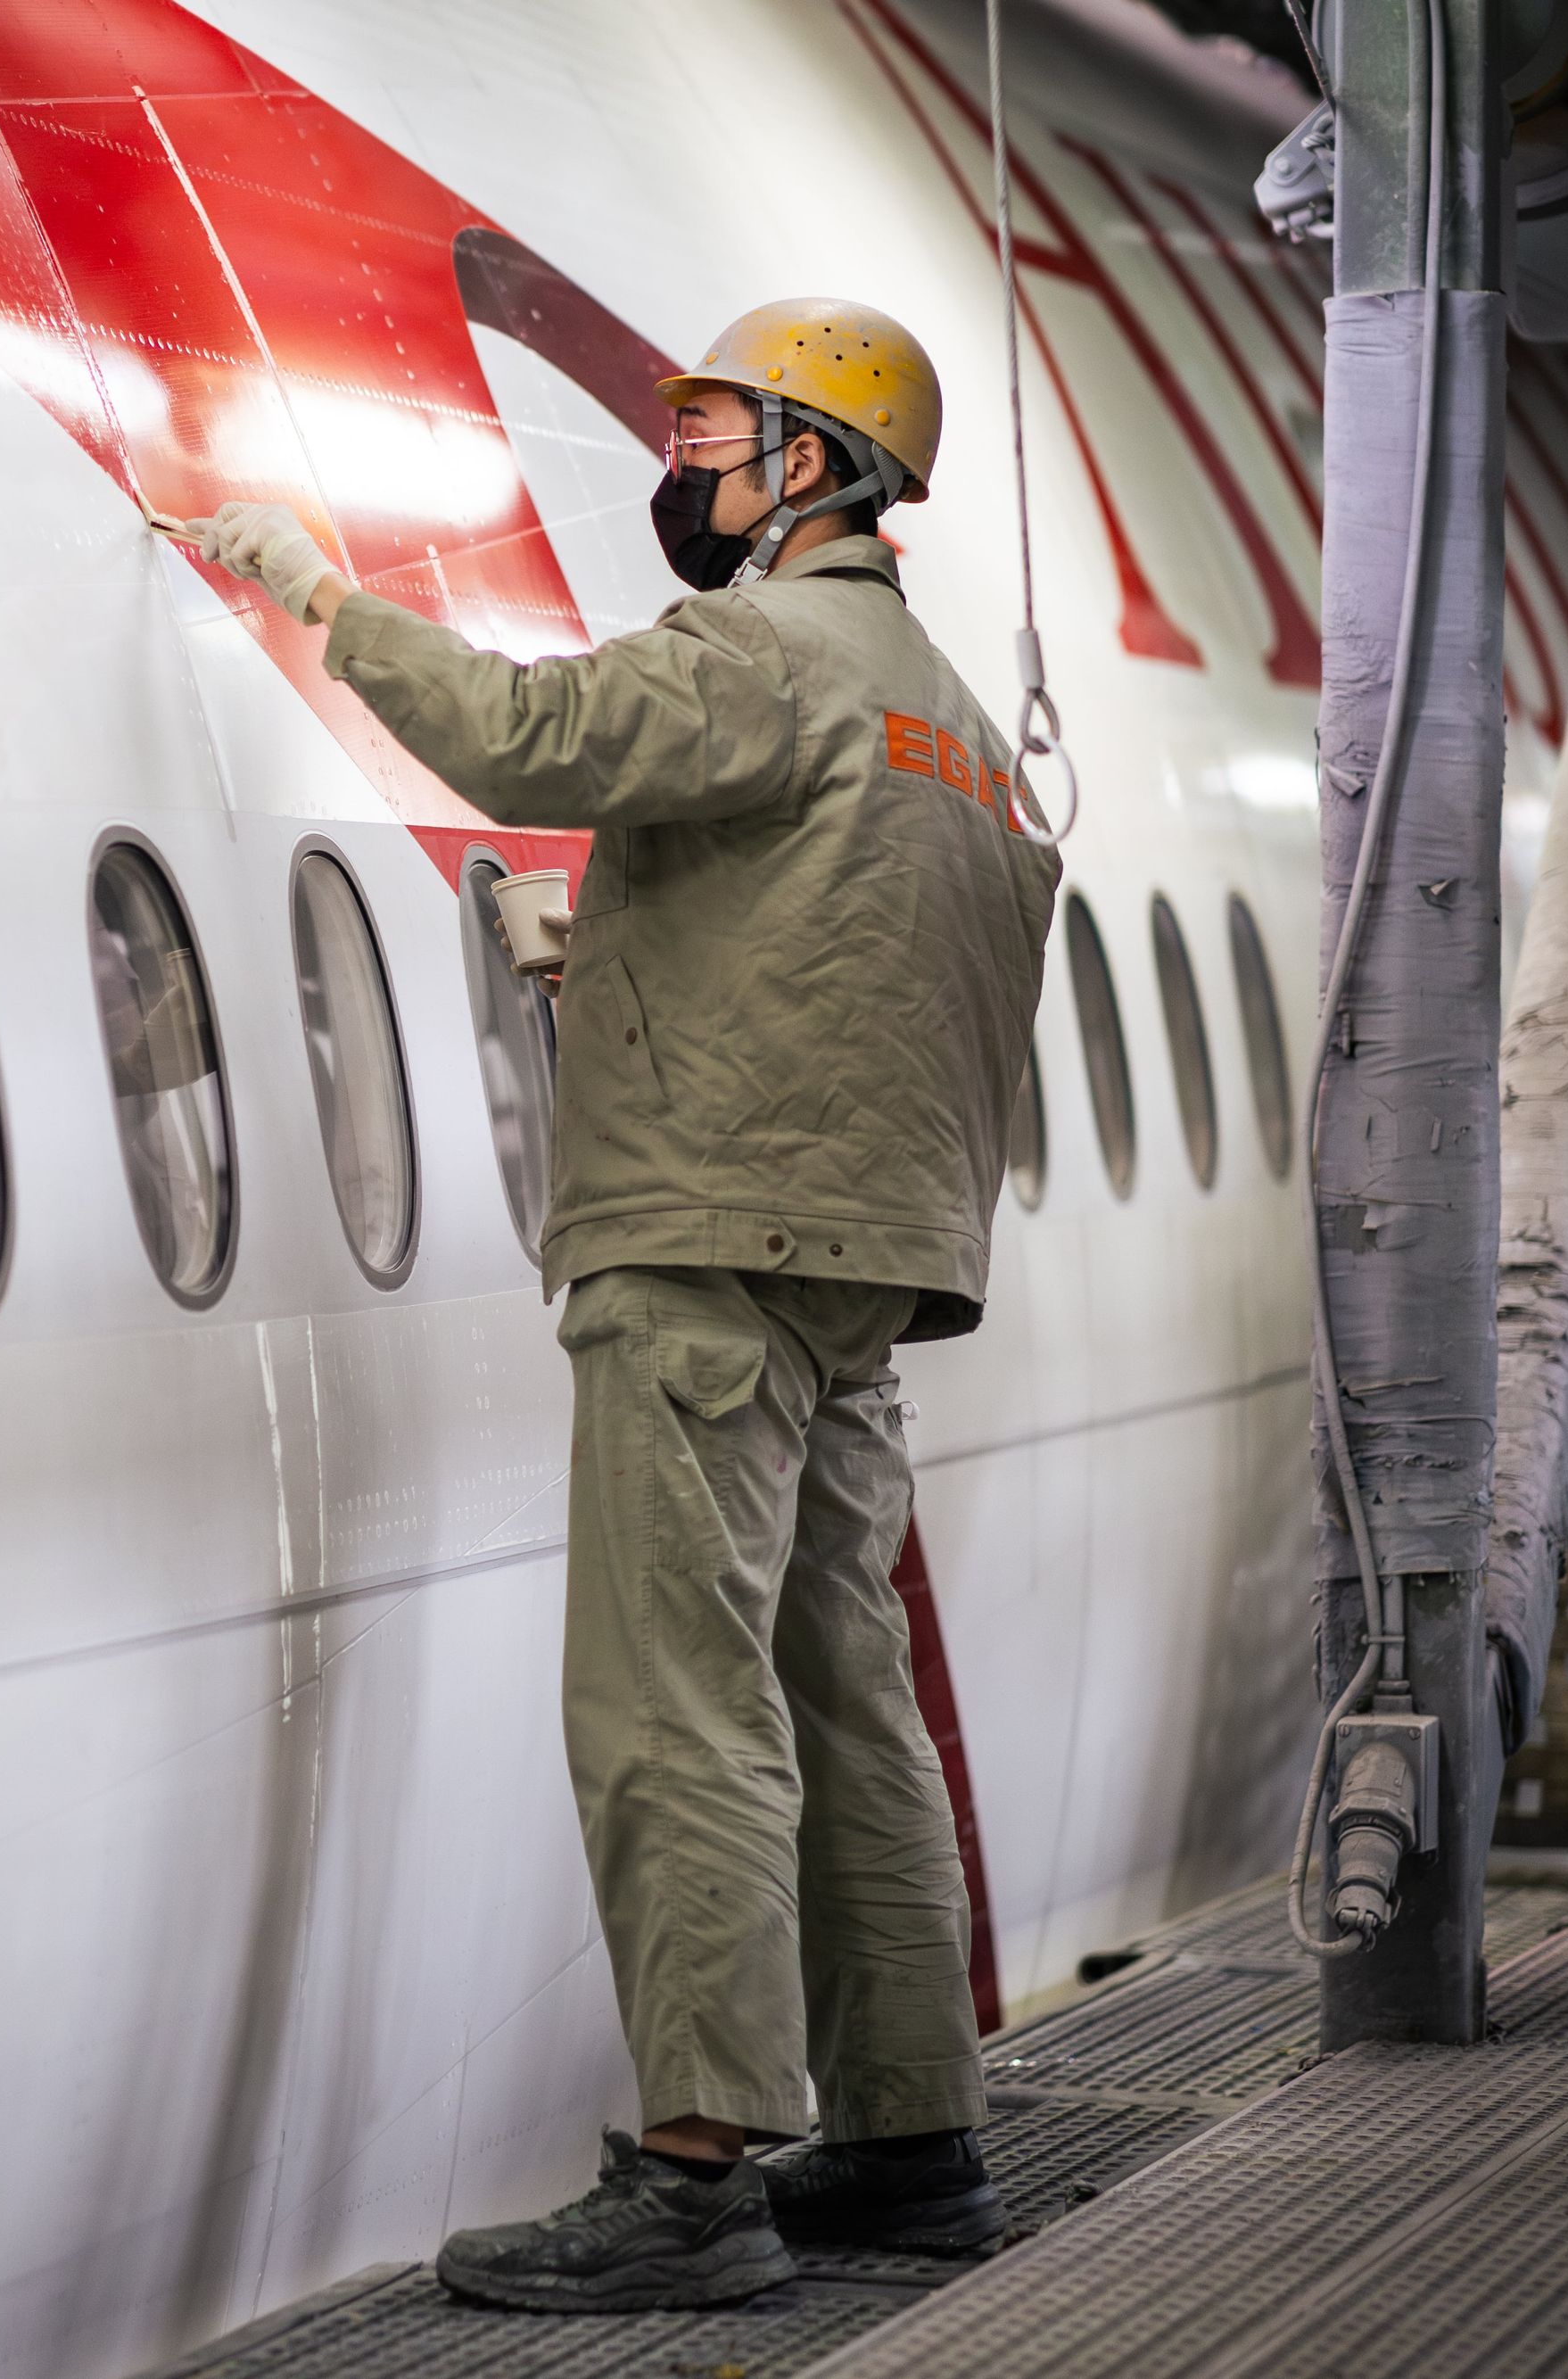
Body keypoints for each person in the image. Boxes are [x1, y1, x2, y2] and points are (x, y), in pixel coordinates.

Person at [194, 300, 1060, 2313]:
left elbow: (525, 736)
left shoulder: (760, 652)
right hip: (857, 1270)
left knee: (675, 1704)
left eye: (712, 435)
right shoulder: (953, 726)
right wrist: (610, 964)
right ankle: (910, 2138)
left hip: (703, 1259)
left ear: (811, 466)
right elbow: (842, 968)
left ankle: (691, 2179)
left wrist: (321, 594)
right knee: (846, 1697)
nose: (686, 469)